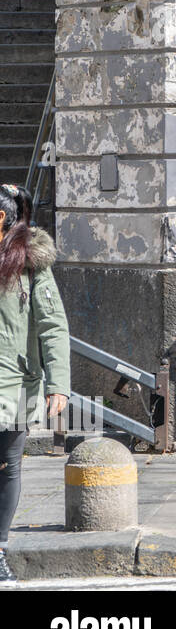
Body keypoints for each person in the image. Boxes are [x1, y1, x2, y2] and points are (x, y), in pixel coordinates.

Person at [0, 184, 69, 582]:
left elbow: (53, 325)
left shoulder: (30, 264)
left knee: (7, 467)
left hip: (13, 384)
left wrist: (58, 383)